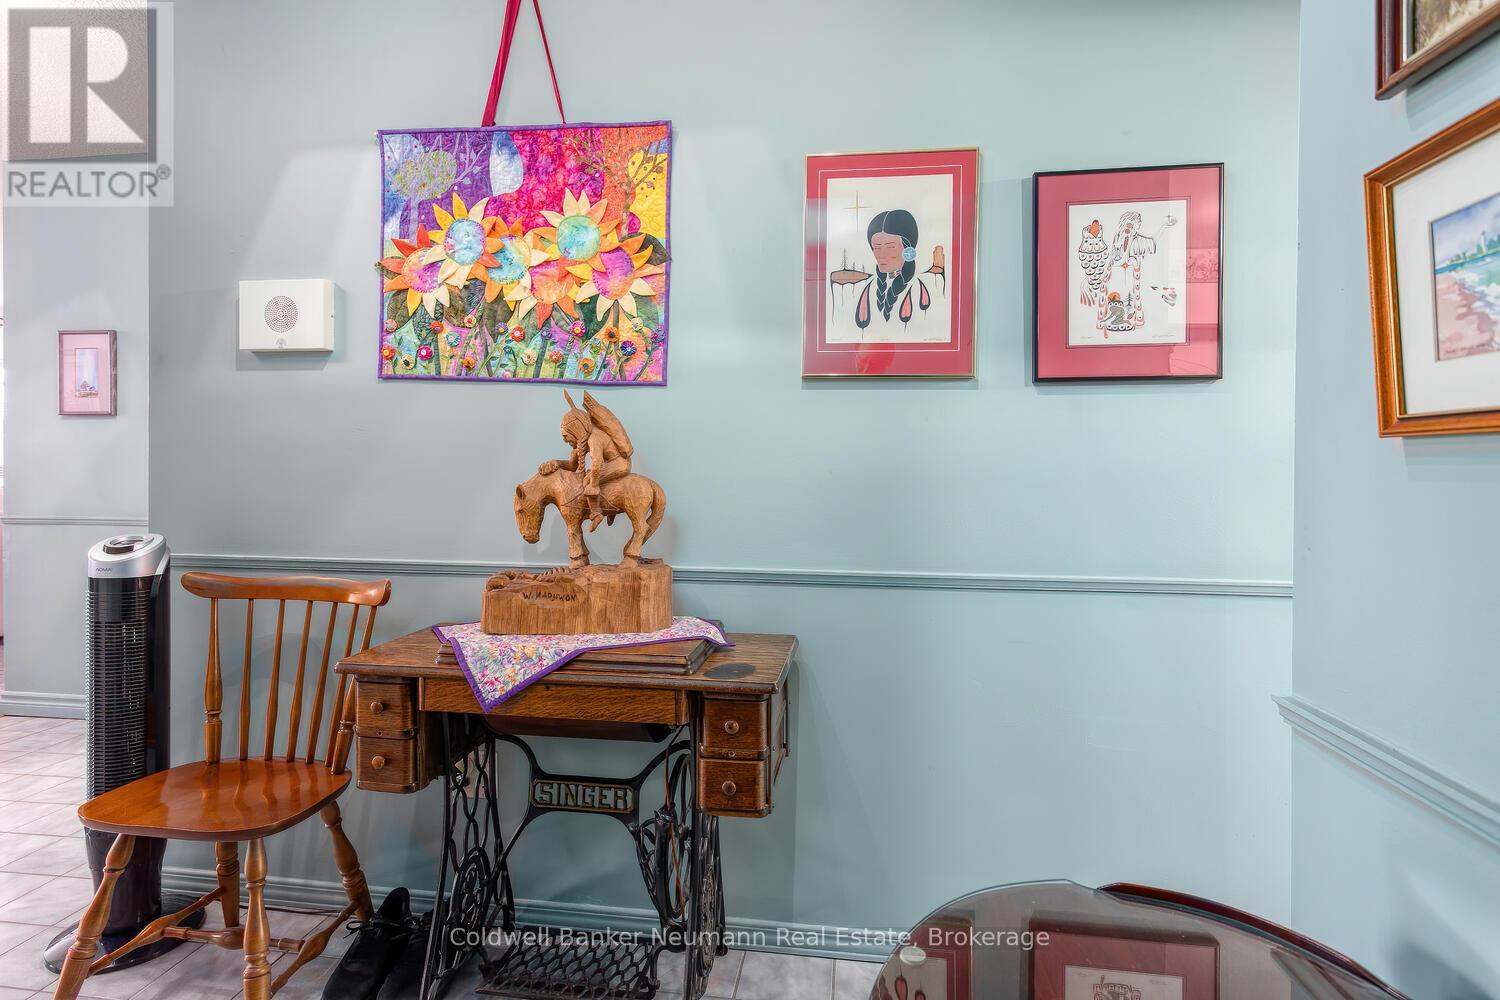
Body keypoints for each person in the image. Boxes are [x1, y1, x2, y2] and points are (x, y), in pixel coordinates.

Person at [539, 391, 633, 530]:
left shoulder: (594, 438)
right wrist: (556, 463)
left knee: (588, 481)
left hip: (620, 463)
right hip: (609, 463)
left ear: (576, 430)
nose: (565, 440)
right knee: (589, 477)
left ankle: (597, 514)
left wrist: (592, 485)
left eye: (566, 436)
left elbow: (597, 464)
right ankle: (608, 509)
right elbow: (572, 466)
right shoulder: (582, 441)